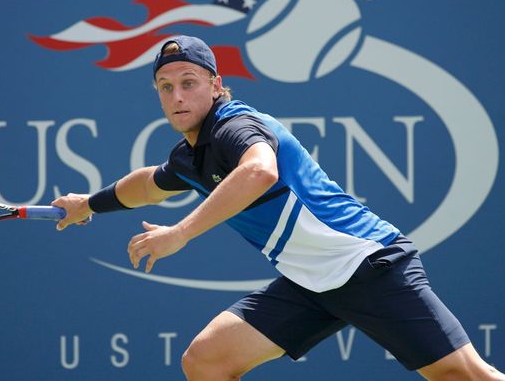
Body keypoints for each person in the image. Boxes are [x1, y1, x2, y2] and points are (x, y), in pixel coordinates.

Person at [51, 36, 503, 381]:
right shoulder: (190, 156)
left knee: (463, 376)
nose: (177, 97)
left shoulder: (235, 126)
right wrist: (86, 204)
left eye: (189, 83)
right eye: (165, 88)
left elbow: (260, 172)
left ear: (215, 85)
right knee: (207, 360)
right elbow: (148, 185)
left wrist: (181, 233)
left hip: (367, 264)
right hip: (309, 282)